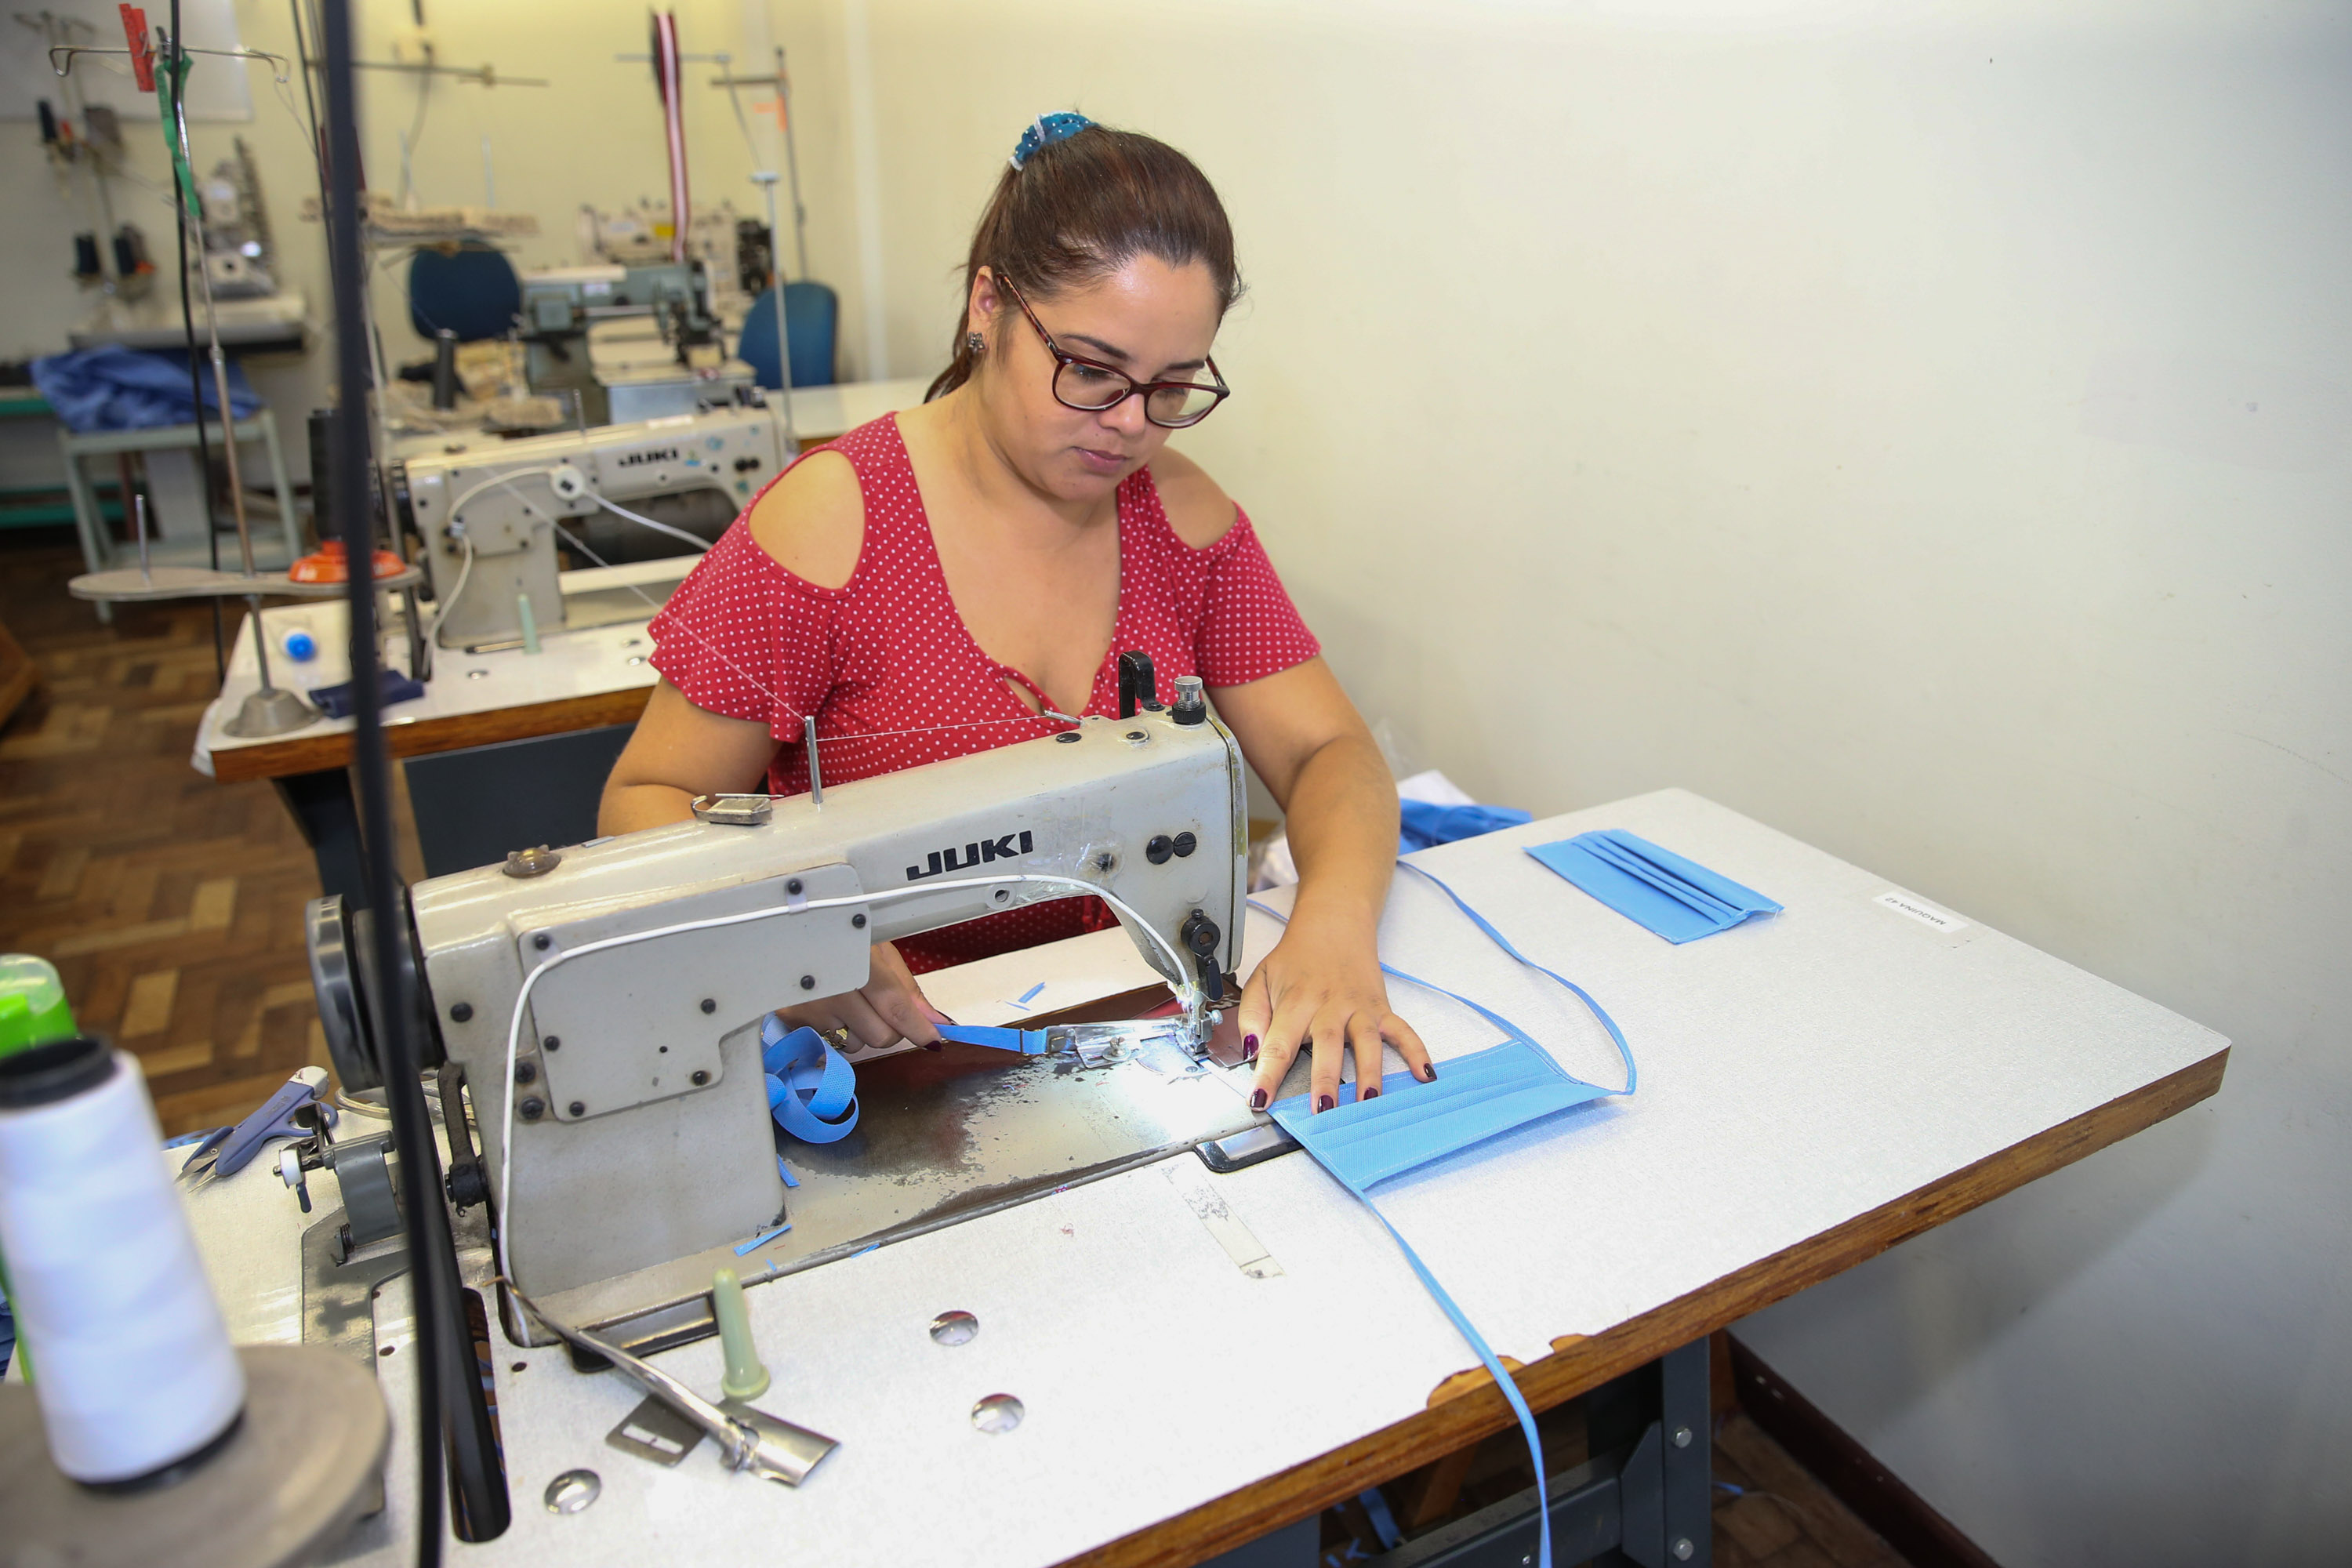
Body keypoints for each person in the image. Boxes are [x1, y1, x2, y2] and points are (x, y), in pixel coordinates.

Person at [600, 113, 1432, 1113]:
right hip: (896, 1050)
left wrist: (1333, 930)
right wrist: (800, 934)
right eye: (1091, 369)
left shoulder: (1181, 517)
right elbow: (642, 801)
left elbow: (1328, 752)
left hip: (1116, 1016)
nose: (1131, 424)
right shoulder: (833, 527)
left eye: (1172, 387)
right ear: (988, 304)